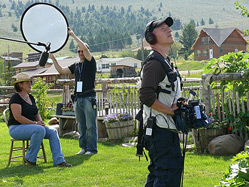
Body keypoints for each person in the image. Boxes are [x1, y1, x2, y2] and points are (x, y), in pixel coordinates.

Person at [139, 17, 183, 186]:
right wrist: (170, 111)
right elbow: (146, 96)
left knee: (160, 174)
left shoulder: (163, 61)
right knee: (168, 175)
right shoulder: (155, 63)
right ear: (151, 38)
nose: (169, 31)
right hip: (160, 131)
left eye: (169, 28)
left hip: (162, 129)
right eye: (163, 29)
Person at [49, 28, 97, 155]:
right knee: (81, 125)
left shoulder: (90, 61)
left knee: (90, 125)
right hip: (78, 98)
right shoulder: (76, 65)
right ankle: (83, 147)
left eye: (82, 50)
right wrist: (53, 59)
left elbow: (86, 50)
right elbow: (61, 71)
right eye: (79, 51)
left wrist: (73, 36)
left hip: (89, 97)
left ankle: (91, 149)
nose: (81, 52)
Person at [8, 72, 72, 167]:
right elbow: (18, 117)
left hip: (33, 127)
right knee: (39, 129)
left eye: (30, 82)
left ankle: (59, 161)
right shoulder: (15, 98)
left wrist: (41, 122)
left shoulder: (30, 97)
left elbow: (36, 112)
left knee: (53, 131)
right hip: (16, 128)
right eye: (27, 82)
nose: (30, 84)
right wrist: (35, 123)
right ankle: (30, 158)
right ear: (19, 85)